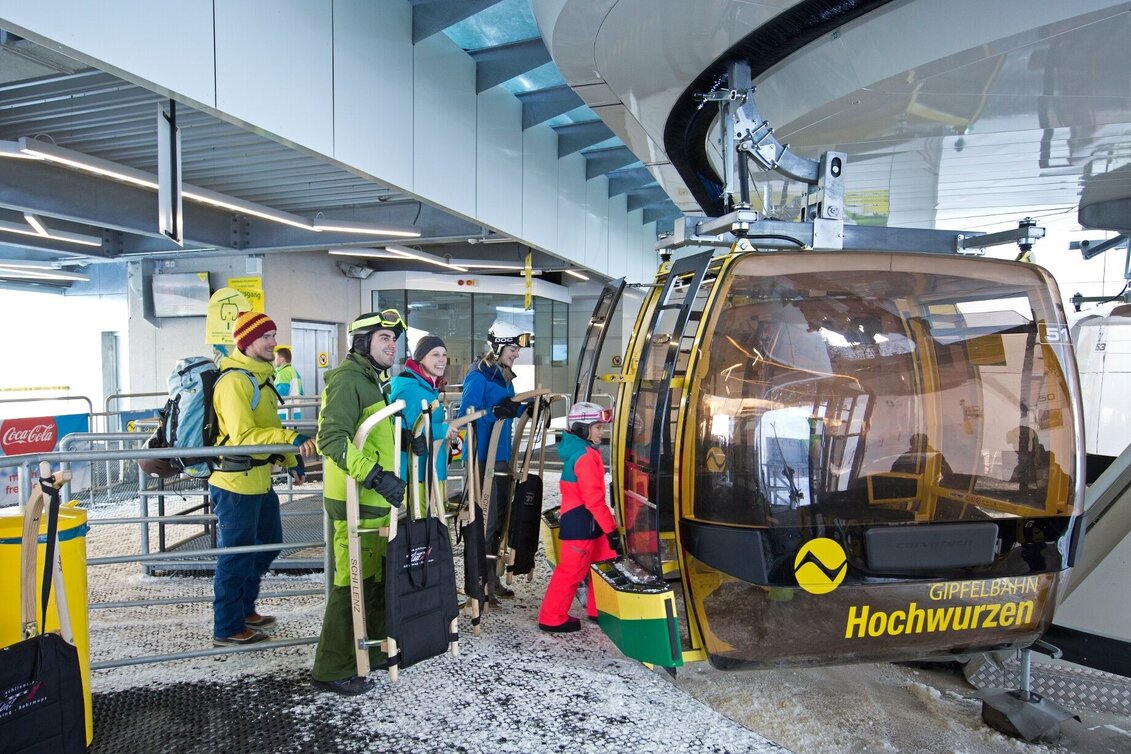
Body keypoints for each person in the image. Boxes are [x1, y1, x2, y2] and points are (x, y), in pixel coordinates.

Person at [311, 309, 409, 696]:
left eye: (394, 339)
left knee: (373, 579)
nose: (392, 345)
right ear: (362, 342)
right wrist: (375, 475)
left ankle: (370, 652)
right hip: (353, 498)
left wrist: (408, 441)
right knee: (349, 583)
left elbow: (375, 434)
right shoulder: (348, 379)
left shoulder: (373, 380)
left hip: (372, 500)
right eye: (384, 338)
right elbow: (331, 438)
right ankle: (332, 668)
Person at [209, 311, 316, 647]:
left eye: (274, 335)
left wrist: (290, 459)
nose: (273, 342)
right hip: (235, 484)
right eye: (266, 336)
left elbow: (268, 426)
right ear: (246, 341)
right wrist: (290, 441)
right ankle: (227, 626)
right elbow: (244, 435)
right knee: (236, 555)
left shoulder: (262, 379)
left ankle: (245, 608)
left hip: (259, 480)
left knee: (269, 544)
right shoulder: (234, 382)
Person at [459, 320, 531, 602]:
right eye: (513, 348)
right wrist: (493, 411)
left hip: (500, 456)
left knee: (499, 518)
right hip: (481, 457)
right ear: (500, 346)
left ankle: (492, 577)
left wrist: (529, 407)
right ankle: (480, 583)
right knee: (484, 520)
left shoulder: (503, 376)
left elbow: (508, 408)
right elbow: (467, 413)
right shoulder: (479, 375)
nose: (516, 353)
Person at [537, 402, 619, 633]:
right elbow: (593, 499)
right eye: (597, 427)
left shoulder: (583, 451)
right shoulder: (585, 456)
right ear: (583, 428)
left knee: (602, 564)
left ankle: (597, 609)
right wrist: (611, 530)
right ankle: (552, 618)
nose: (601, 432)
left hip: (590, 521)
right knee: (571, 572)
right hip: (582, 522)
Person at [390, 335, 459, 513]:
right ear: (420, 358)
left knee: (433, 522)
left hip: (429, 469)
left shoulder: (426, 387)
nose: (442, 359)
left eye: (444, 354)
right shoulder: (411, 389)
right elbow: (408, 431)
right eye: (435, 354)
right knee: (423, 524)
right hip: (418, 474)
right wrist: (443, 430)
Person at [273, 345, 304, 421]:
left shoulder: (283, 373)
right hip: (296, 413)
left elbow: (281, 393)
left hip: (283, 414)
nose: (274, 360)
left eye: (276, 357)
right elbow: (301, 392)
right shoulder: (295, 372)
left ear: (282, 359)